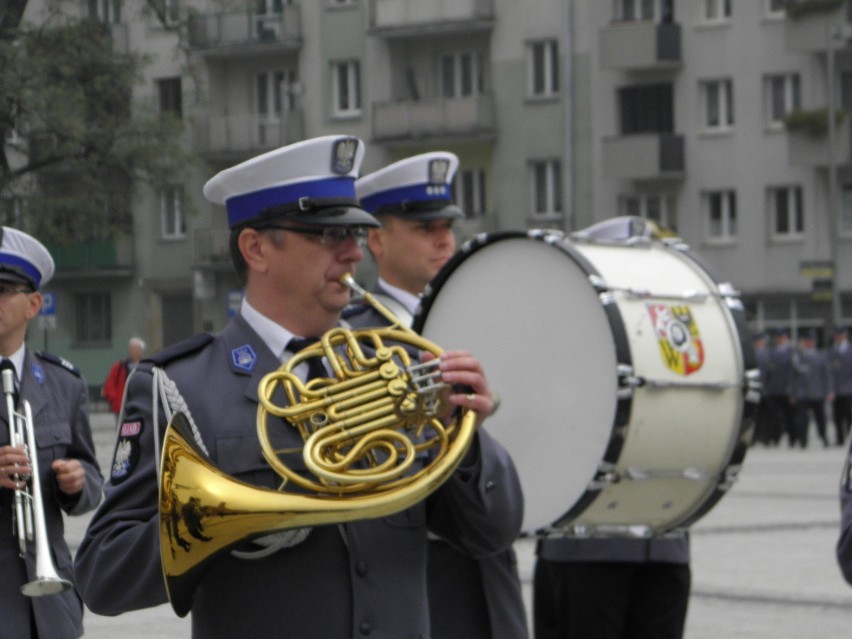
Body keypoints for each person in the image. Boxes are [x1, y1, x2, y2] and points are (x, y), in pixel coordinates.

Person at [73, 136, 523, 639]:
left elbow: (491, 533)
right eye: (329, 235)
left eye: (354, 234)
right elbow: (103, 575)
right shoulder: (180, 386)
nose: (353, 254)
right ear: (256, 248)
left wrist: (465, 435)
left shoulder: (397, 366)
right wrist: (225, 523)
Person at [348, 151, 528, 639]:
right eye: (424, 227)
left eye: (446, 225)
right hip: (418, 567)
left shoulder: (485, 320)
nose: (444, 238)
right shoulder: (356, 342)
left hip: (492, 559)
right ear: (376, 240)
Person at [0, 227, 103, 639]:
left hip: (48, 606)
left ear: (34, 303)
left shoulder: (64, 383)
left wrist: (77, 482)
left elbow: (94, 480)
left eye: (4, 289)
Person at [790, 328, 834, 448]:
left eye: (812, 341)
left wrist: (829, 390)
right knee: (802, 419)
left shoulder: (821, 355)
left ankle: (824, 437)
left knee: (821, 418)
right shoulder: (797, 355)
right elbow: (792, 377)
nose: (810, 343)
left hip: (817, 392)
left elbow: (827, 375)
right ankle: (803, 441)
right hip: (802, 393)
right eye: (807, 341)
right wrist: (793, 394)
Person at [764, 327, 796, 447]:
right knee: (774, 417)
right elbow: (768, 373)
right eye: (778, 338)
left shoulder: (792, 352)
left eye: (782, 338)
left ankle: (792, 439)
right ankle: (774, 438)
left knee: (790, 416)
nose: (780, 340)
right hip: (774, 389)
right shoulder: (771, 352)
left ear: (786, 338)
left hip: (787, 390)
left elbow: (794, 372)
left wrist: (793, 389)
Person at [101, 336, 145, 417]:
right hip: (121, 408)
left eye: (134, 349)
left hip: (140, 407)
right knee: (120, 428)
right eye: (130, 348)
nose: (131, 351)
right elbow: (109, 384)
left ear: (140, 351)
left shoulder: (145, 367)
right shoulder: (119, 367)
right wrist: (114, 400)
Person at [829, 326, 852, 447]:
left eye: (841, 335)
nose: (839, 338)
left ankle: (849, 436)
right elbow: (829, 372)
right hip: (836, 390)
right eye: (837, 336)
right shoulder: (832, 351)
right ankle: (839, 438)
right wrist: (830, 389)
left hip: (849, 389)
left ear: (845, 335)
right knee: (837, 416)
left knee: (849, 415)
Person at [751, 331, 774, 446]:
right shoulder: (751, 354)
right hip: (754, 389)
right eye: (757, 341)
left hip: (767, 390)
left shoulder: (769, 354)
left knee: (767, 416)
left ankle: (767, 438)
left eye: (760, 341)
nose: (759, 343)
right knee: (755, 416)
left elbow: (772, 373)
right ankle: (755, 437)